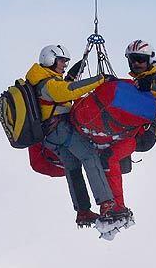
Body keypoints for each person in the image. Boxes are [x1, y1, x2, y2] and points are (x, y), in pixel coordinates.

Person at [26, 44, 121, 228]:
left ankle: (83, 211)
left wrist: (81, 64)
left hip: (49, 136)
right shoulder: (48, 84)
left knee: (73, 166)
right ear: (50, 59)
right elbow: (70, 90)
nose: (64, 65)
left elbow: (67, 83)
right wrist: (101, 79)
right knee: (90, 156)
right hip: (61, 130)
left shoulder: (41, 80)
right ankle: (106, 203)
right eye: (61, 61)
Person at [100, 40, 156, 211]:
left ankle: (117, 207)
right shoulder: (134, 84)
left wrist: (149, 87)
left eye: (141, 59)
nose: (136, 63)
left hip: (145, 135)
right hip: (128, 131)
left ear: (150, 60)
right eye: (133, 59)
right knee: (98, 154)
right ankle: (105, 202)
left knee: (109, 157)